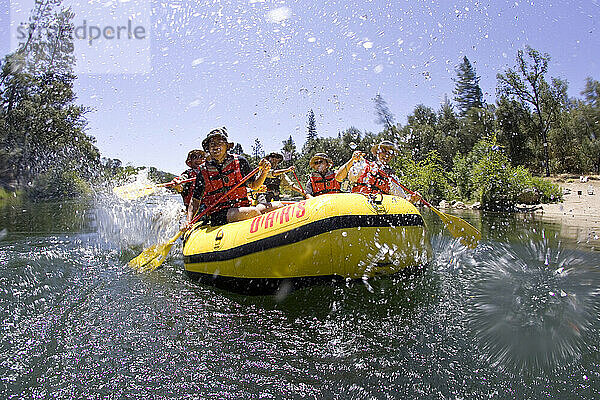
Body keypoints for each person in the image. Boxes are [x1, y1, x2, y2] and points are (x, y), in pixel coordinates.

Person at [186, 128, 275, 226]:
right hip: (218, 214)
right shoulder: (203, 171)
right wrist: (188, 221)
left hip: (242, 206)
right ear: (208, 148)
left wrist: (264, 172)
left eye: (219, 142)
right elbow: (195, 201)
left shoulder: (241, 161)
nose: (215, 147)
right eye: (212, 144)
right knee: (253, 212)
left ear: (227, 146)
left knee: (277, 206)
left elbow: (254, 185)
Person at [345, 140, 421, 203]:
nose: (386, 155)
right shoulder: (363, 165)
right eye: (384, 151)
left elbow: (402, 200)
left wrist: (412, 199)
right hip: (358, 206)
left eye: (390, 153)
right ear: (377, 153)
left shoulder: (392, 178)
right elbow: (340, 178)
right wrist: (352, 160)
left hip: (378, 211)